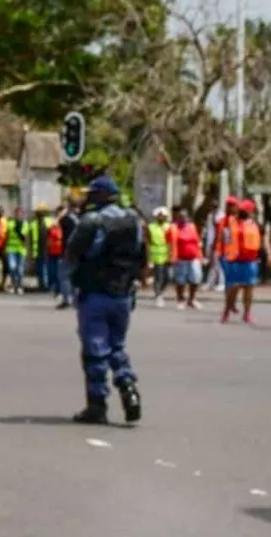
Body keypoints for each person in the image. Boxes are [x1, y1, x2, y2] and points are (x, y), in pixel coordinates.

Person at [64, 176, 144, 425]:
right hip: (123, 293)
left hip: (95, 293)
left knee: (95, 349)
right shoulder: (134, 220)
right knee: (117, 346)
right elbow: (142, 256)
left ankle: (97, 404)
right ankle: (129, 388)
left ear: (100, 196)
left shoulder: (92, 221)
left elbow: (72, 254)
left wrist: (68, 287)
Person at [220, 198, 266, 324]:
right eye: (242, 210)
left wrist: (262, 255)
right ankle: (226, 311)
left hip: (250, 260)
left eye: (246, 210)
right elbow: (225, 238)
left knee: (249, 287)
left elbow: (260, 240)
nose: (243, 212)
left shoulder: (254, 223)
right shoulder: (230, 222)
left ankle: (247, 314)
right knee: (233, 287)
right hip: (234, 259)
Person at [168, 207, 203, 310]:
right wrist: (171, 256)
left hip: (194, 257)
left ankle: (191, 300)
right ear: (177, 218)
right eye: (181, 217)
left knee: (195, 278)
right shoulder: (173, 228)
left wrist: (201, 256)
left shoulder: (192, 226)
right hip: (180, 258)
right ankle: (180, 300)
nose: (183, 218)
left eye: (185, 216)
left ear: (188, 217)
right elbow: (169, 241)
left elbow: (197, 241)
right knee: (180, 280)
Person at [145, 207, 173, 307]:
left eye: (163, 216)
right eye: (159, 216)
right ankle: (158, 295)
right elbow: (147, 242)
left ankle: (160, 291)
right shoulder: (151, 227)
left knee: (167, 277)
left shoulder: (169, 226)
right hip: (155, 254)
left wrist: (171, 254)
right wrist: (148, 257)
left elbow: (171, 242)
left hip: (165, 253)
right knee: (159, 276)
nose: (161, 217)